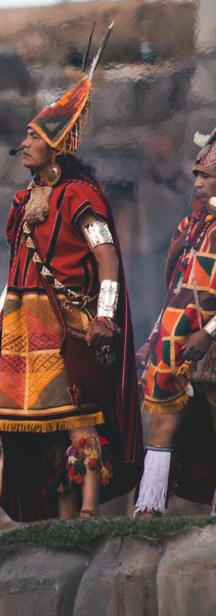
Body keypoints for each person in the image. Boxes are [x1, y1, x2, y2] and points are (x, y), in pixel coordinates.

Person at [0, 36, 143, 520]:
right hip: (24, 325)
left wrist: (106, 317)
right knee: (43, 428)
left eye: (32, 137)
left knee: (76, 420)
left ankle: (89, 513)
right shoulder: (21, 203)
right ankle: (65, 520)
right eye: (25, 136)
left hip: (66, 323)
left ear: (57, 145)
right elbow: (16, 271)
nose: (23, 144)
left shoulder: (80, 196)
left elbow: (108, 259)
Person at [133, 130, 216, 516]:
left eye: (207, 176)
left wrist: (209, 332)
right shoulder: (189, 229)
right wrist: (153, 337)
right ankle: (147, 511)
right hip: (174, 342)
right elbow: (176, 292)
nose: (198, 182)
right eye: (197, 175)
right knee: (160, 426)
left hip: (210, 342)